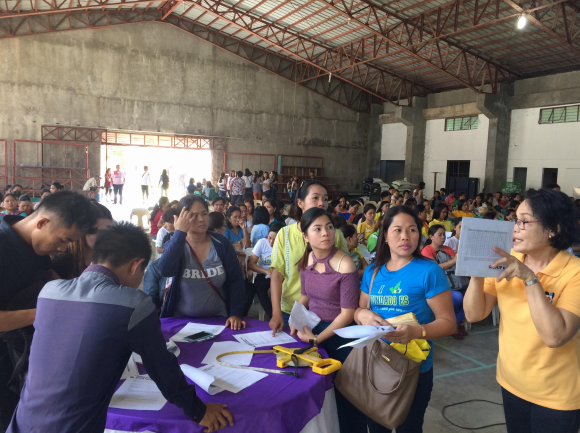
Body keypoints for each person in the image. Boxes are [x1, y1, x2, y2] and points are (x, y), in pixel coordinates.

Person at [7, 222, 234, 433]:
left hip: (21, 421)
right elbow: (162, 367)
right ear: (136, 265)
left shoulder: (50, 291)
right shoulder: (133, 303)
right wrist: (198, 410)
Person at [464, 189, 580, 433]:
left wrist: (529, 279)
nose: (514, 227)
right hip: (511, 382)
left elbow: (555, 337)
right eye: (514, 219)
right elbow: (475, 314)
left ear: (553, 228)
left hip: (556, 394)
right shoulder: (508, 259)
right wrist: (476, 272)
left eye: (524, 221)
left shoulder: (574, 272)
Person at [354, 206, 455, 433]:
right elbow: (359, 311)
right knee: (376, 425)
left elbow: (448, 322)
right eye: (397, 230)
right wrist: (361, 314)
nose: (405, 236)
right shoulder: (373, 271)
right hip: (376, 363)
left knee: (409, 427)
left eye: (412, 230)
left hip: (412, 369)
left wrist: (416, 332)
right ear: (385, 236)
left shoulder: (429, 271)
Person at [0, 191, 95, 427]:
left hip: (26, 359)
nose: (63, 249)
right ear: (42, 222)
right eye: (63, 240)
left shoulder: (38, 249)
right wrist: (46, 312)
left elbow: (54, 283)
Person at [290, 207, 365, 433]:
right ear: (305, 236)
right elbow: (305, 296)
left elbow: (347, 313)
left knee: (346, 397)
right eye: (318, 229)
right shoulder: (307, 260)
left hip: (340, 336)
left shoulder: (345, 264)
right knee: (318, 394)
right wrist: (294, 319)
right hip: (313, 330)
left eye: (330, 227)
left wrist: (317, 339)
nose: (326, 233)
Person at [270, 180, 349, 331]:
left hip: (328, 314)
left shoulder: (335, 235)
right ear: (300, 203)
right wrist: (276, 313)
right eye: (315, 198)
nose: (321, 203)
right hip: (290, 311)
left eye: (325, 199)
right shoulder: (285, 234)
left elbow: (344, 278)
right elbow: (276, 275)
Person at [157, 195, 246, 328]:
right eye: (193, 215)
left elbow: (236, 280)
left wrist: (235, 314)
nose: (201, 219)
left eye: (204, 214)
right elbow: (165, 270)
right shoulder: (174, 243)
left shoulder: (221, 244)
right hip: (181, 323)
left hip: (218, 321)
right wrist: (180, 233)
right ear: (182, 218)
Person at [422, 224, 469, 339]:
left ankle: (455, 323)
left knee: (469, 297)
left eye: (444, 234)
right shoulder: (427, 250)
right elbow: (436, 268)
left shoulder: (447, 249)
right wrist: (453, 261)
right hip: (438, 285)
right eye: (439, 235)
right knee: (458, 298)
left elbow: (456, 265)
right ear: (431, 237)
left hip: (455, 281)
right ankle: (453, 323)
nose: (443, 237)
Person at [51, 202, 114, 279]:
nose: (105, 236)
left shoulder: (115, 259)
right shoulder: (61, 262)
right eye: (97, 232)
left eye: (109, 230)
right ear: (81, 232)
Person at [246, 222, 285, 319]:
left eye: (275, 239)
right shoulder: (262, 243)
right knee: (259, 288)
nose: (271, 242)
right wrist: (267, 272)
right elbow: (251, 264)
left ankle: (284, 314)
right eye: (269, 238)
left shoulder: (286, 247)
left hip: (281, 275)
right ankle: (273, 315)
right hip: (264, 274)